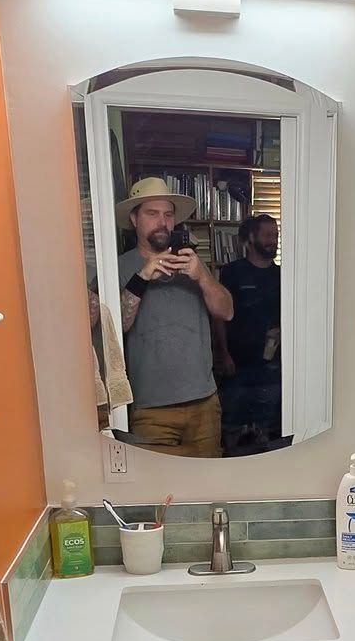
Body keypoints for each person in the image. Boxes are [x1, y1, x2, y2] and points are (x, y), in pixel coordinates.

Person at [115, 177, 232, 455]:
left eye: (168, 215)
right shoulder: (118, 267)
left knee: (207, 488)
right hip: (151, 410)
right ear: (134, 219)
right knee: (158, 492)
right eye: (152, 214)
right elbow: (116, 326)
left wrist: (202, 276)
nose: (162, 222)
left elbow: (227, 312)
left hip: (204, 403)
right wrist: (142, 277)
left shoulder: (192, 263)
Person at [216, 213, 285, 452]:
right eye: (267, 235)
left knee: (269, 432)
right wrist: (224, 354)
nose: (273, 240)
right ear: (251, 237)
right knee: (232, 429)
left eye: (276, 235)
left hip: (273, 369)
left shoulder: (284, 277)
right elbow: (219, 319)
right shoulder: (231, 273)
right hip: (237, 366)